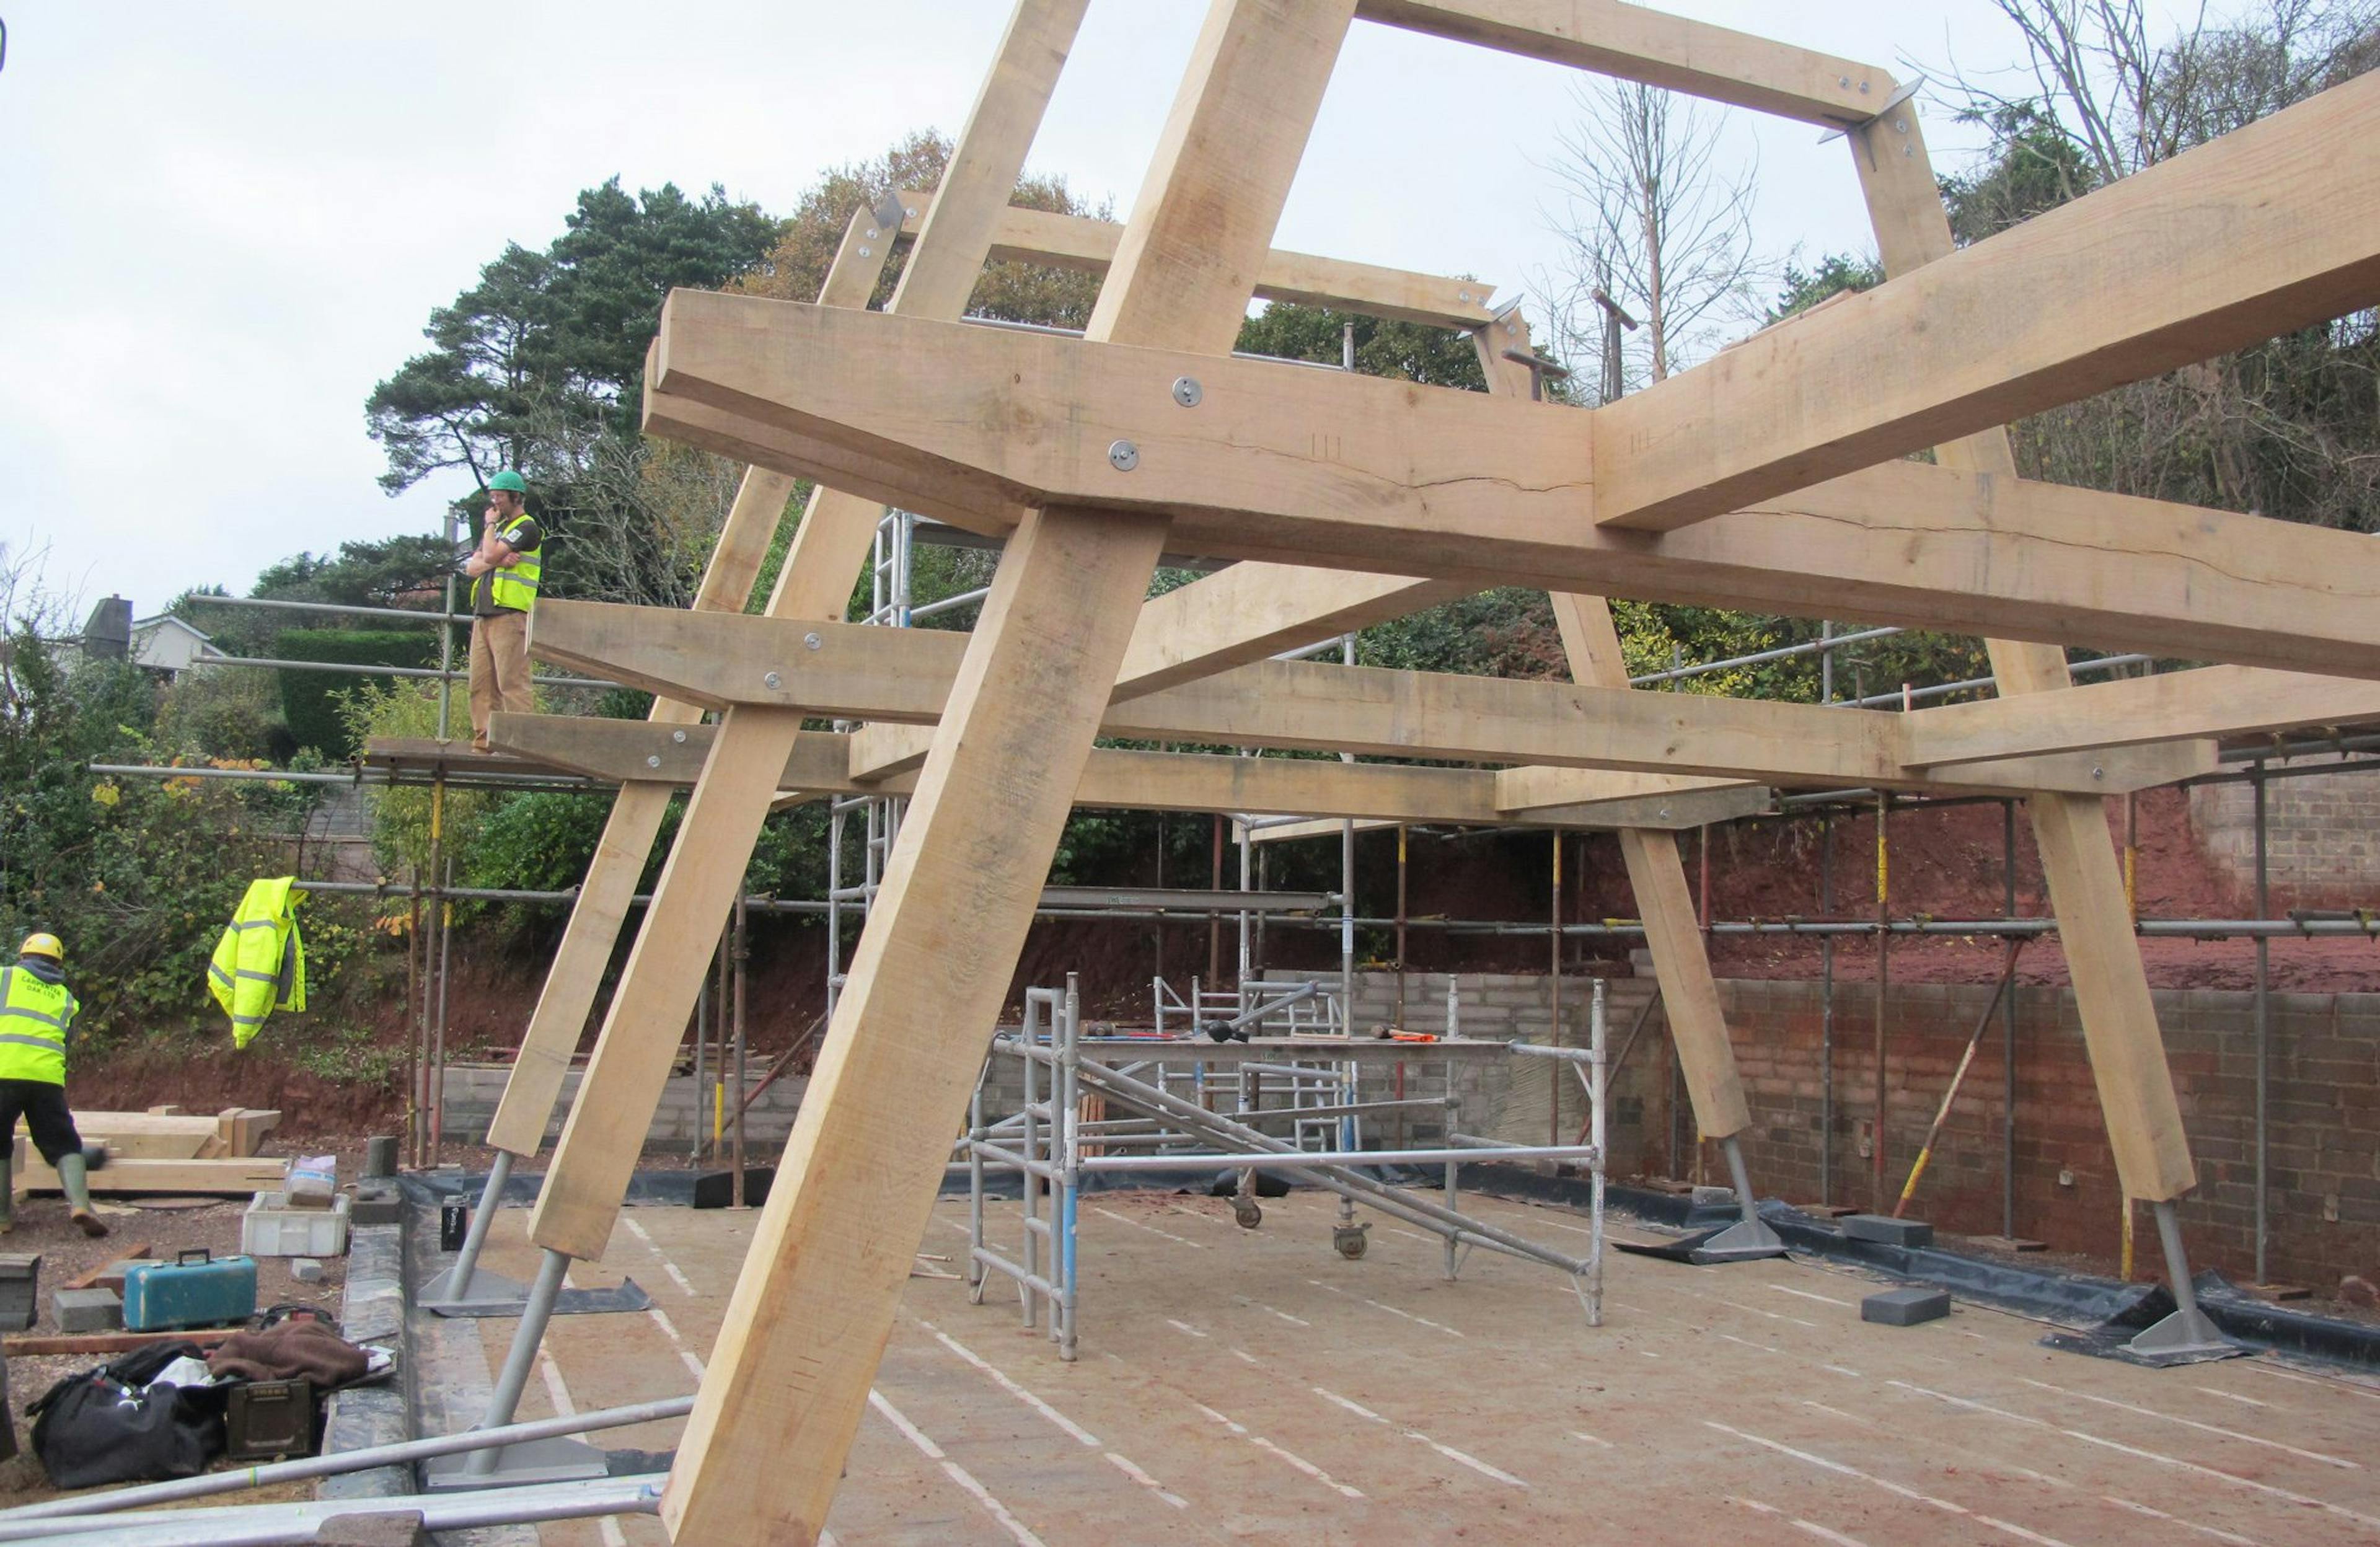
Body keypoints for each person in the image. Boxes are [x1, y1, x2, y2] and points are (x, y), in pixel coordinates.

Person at [0, 933, 108, 1237]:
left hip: (2, 1072)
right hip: (46, 1078)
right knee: (63, 1143)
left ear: (22, 956)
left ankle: (2, 1218)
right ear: (58, 964)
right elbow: (66, 1041)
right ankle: (81, 1205)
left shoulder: (4, 977)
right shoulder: (65, 998)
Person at [462, 469, 544, 754]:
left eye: (499, 496)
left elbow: (488, 555)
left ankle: (523, 744)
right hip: (484, 615)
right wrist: (496, 560)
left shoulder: (526, 526)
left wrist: (490, 534)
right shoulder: (498, 533)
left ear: (515, 496)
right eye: (492, 496)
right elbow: (472, 567)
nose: (494, 502)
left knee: (512, 681)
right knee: (481, 682)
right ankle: (485, 741)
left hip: (510, 614)